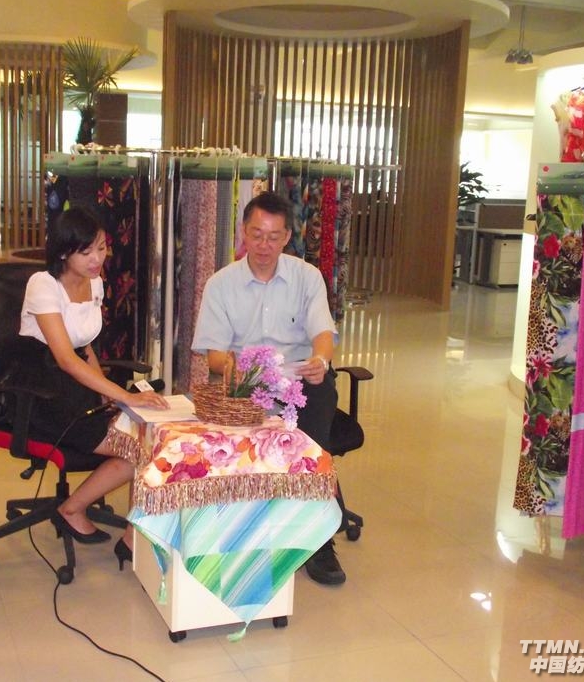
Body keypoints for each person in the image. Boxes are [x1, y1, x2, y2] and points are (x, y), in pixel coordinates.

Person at [191, 190, 345, 585]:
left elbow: (323, 332)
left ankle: (319, 540)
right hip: (246, 385)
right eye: (257, 235)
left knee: (313, 427)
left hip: (299, 381)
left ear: (288, 236)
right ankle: (248, 529)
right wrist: (239, 371)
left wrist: (320, 361)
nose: (264, 246)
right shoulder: (221, 284)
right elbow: (214, 357)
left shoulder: (306, 277)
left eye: (274, 237)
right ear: (243, 232)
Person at [20, 206, 168, 568]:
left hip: (78, 388)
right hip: (42, 392)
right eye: (86, 252)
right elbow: (65, 359)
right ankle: (73, 509)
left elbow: (84, 348)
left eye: (101, 248)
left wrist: (109, 397)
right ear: (63, 252)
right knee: (140, 450)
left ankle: (132, 536)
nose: (97, 259)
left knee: (147, 437)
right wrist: (126, 395)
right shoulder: (43, 284)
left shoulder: (95, 282)